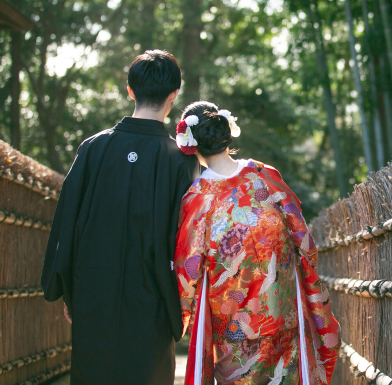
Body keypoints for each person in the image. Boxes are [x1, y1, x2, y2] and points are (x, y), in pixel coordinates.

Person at [41, 50, 200, 385]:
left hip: (92, 290)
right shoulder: (180, 160)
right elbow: (189, 239)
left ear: (130, 89)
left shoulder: (94, 148)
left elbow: (67, 221)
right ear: (174, 95)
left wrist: (67, 287)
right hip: (153, 297)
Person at [173, 101, 340, 385]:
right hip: (281, 311)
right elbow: (304, 240)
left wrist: (182, 314)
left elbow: (187, 271)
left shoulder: (198, 198)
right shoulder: (265, 176)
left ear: (192, 145)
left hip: (234, 327)